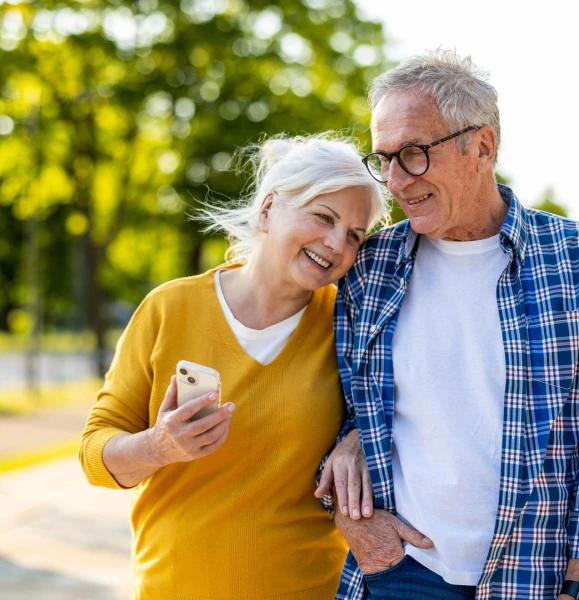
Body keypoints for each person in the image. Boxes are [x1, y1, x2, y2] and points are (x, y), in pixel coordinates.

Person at [323, 50, 579, 600]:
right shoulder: (366, 266)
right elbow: (329, 399)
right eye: (385, 159)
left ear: (483, 146)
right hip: (402, 572)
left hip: (540, 578)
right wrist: (349, 490)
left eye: (415, 153)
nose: (396, 181)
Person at [79, 134, 390, 600]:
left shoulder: (350, 327)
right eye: (323, 217)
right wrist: (159, 446)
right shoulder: (170, 308)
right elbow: (94, 456)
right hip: (173, 587)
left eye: (353, 235)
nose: (335, 243)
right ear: (267, 210)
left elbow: (407, 416)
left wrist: (360, 437)